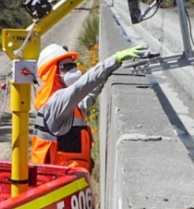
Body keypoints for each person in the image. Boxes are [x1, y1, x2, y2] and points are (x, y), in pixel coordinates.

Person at [32, 42, 147, 172]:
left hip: (71, 180)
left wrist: (108, 73)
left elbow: (88, 95)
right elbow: (82, 86)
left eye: (73, 65)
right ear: (53, 72)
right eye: (67, 66)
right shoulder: (54, 104)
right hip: (59, 182)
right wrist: (115, 59)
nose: (73, 70)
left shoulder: (68, 106)